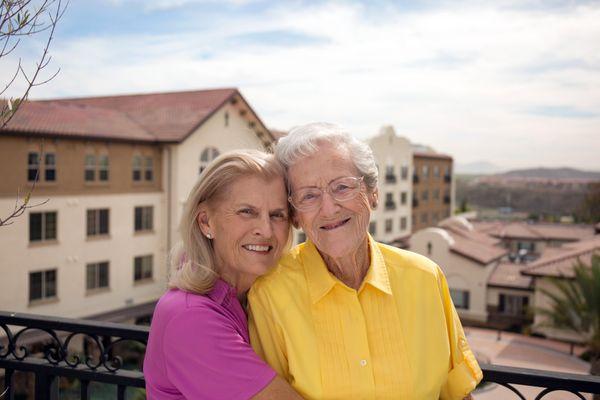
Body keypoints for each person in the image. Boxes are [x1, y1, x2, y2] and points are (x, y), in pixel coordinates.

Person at [248, 123, 483, 400]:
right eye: (309, 195)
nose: (329, 208)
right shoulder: (270, 293)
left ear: (373, 193)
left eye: (342, 187)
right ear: (296, 214)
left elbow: (457, 394)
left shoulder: (426, 278)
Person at [144, 150, 302, 400]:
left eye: (277, 215)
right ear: (206, 222)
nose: (265, 229)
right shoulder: (190, 318)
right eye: (246, 212)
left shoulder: (253, 297)